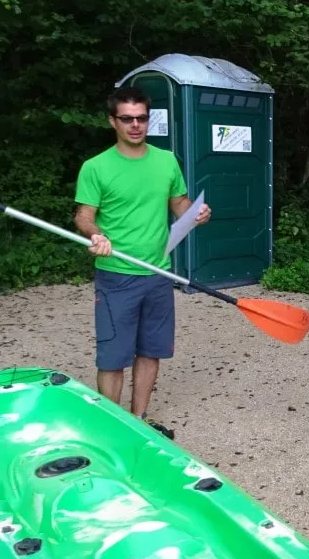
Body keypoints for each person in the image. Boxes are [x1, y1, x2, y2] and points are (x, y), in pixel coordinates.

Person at [74, 86, 211, 438]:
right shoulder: (96, 167)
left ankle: (139, 421)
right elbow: (84, 216)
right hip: (116, 275)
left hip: (158, 273)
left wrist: (196, 213)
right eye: (127, 119)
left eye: (141, 118)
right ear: (113, 121)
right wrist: (96, 235)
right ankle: (112, 427)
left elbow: (179, 204)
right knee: (113, 358)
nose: (135, 125)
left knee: (151, 351)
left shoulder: (166, 161)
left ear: (149, 120)